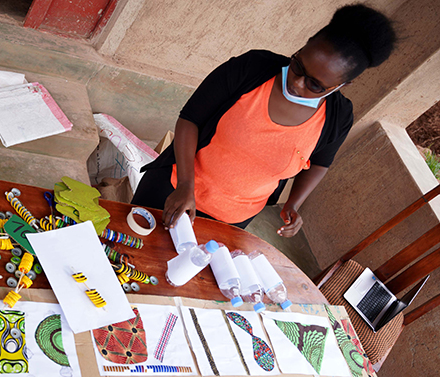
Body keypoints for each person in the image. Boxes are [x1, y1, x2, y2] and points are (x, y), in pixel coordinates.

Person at [131, 4, 396, 237]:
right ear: (306, 43)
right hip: (173, 190)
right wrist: (187, 185)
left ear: (343, 84)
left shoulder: (338, 117)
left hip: (233, 220)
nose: (296, 82)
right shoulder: (252, 69)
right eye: (298, 65)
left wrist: (293, 204)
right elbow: (190, 120)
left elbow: (320, 163)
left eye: (314, 85)